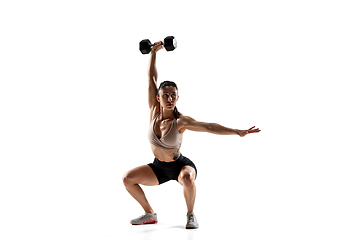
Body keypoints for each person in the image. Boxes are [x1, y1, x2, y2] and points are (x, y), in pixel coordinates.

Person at [122, 41, 260, 229]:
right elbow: (151, 78)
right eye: (165, 95)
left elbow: (209, 127)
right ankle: (150, 214)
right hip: (159, 167)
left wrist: (236, 131)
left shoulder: (181, 122)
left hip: (180, 165)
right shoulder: (153, 111)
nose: (169, 99)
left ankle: (190, 214)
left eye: (173, 95)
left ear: (178, 97)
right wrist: (154, 52)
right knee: (127, 179)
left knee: (187, 179)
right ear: (158, 98)